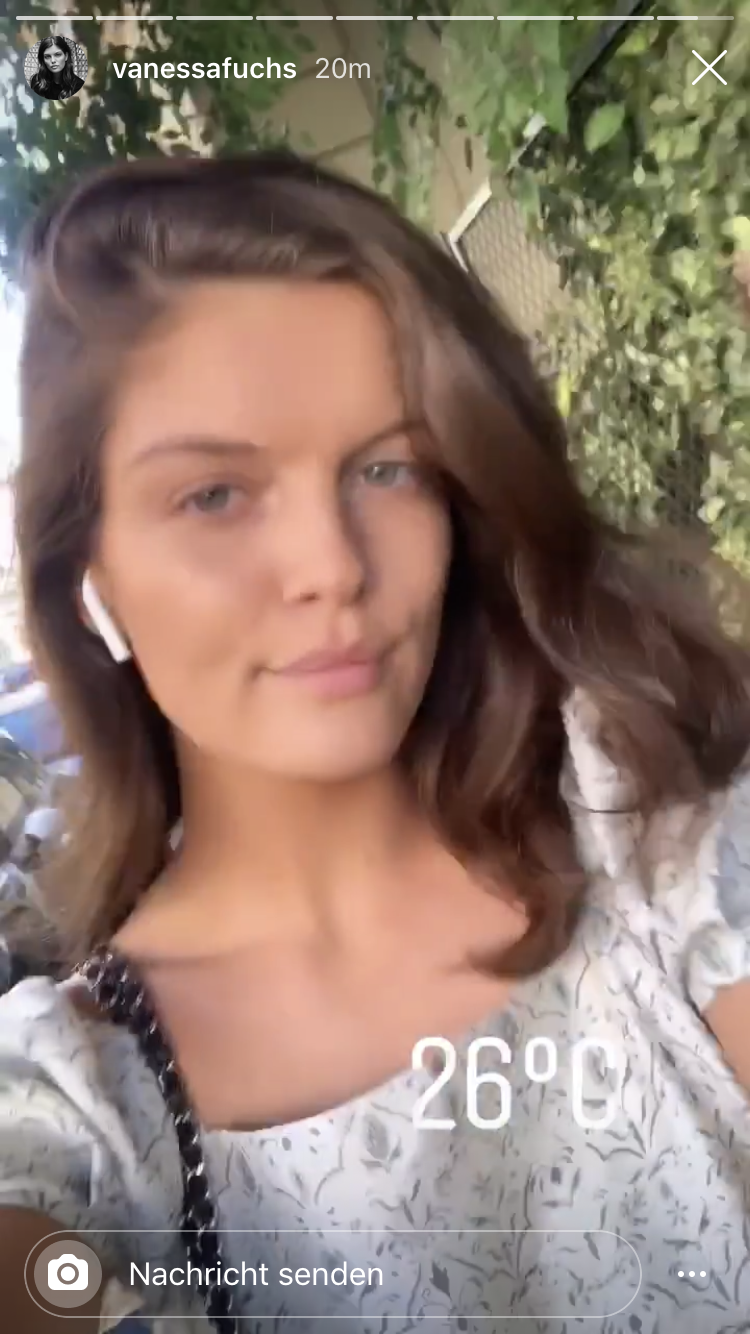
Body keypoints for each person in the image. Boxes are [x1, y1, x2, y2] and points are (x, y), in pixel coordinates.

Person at [1, 150, 749, 1334]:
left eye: (388, 468)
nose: (333, 565)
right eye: (214, 493)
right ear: (88, 571)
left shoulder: (652, 834)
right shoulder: (71, 1116)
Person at [28, 35, 84, 102]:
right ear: (43, 60)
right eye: (47, 56)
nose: (53, 60)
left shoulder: (78, 85)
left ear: (66, 56)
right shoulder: (37, 82)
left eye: (57, 55)